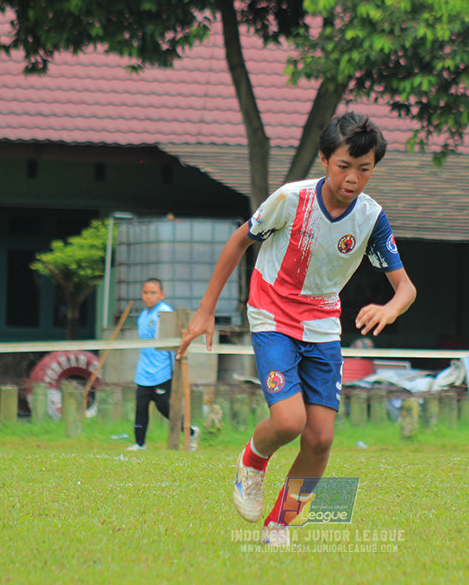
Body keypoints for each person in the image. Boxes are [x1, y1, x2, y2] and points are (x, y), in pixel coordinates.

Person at [177, 112, 417, 546]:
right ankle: (252, 461)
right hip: (272, 314)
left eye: (364, 169)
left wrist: (392, 307)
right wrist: (205, 310)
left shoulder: (371, 218)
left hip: (323, 324)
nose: (353, 178)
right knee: (289, 421)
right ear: (324, 160)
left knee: (321, 438)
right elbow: (238, 241)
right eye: (344, 166)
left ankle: (279, 524)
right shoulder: (291, 198)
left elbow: (406, 288)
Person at [127, 278, 199, 452]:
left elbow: (174, 341)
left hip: (162, 371)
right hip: (143, 371)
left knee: (164, 406)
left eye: (153, 293)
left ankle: (190, 431)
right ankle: (140, 443)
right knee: (141, 407)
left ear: (162, 294)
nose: (148, 296)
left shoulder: (165, 312)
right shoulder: (143, 315)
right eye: (145, 292)